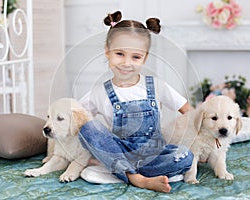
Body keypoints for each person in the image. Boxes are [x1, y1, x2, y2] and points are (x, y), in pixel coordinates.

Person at [79, 11, 193, 193]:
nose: (126, 63)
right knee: (88, 129)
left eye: (136, 57)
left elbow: (190, 113)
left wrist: (203, 142)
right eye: (119, 54)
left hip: (154, 155)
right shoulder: (99, 93)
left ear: (145, 58)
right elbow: (75, 117)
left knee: (186, 156)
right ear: (107, 52)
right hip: (120, 152)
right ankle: (137, 178)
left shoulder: (157, 86)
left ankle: (119, 170)